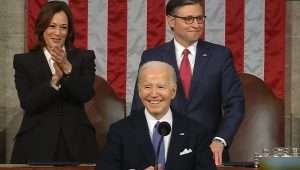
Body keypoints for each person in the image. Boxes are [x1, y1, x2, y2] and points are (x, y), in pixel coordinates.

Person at [131, 0, 245, 165]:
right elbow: (139, 107)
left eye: (200, 18)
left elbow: (235, 104)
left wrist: (220, 140)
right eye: (189, 19)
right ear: (171, 21)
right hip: (162, 153)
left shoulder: (220, 56)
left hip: (208, 152)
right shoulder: (152, 56)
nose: (196, 24)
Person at [11, 1, 98, 163]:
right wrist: (54, 82)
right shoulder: (23, 62)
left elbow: (86, 94)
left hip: (77, 142)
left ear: (69, 31)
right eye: (52, 26)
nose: (57, 33)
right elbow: (28, 102)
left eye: (63, 27)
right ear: (42, 28)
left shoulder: (84, 58)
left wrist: (67, 68)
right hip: (35, 143)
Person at [97, 61, 216, 170]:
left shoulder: (196, 132)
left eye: (161, 87)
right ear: (139, 91)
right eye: (147, 87)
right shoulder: (120, 131)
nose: (153, 94)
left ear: (173, 91)